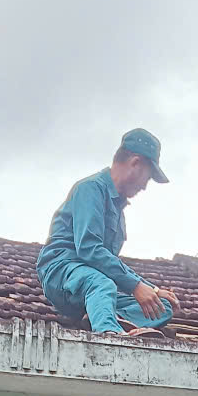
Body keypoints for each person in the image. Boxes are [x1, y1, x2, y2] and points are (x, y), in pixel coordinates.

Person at [37, 129, 179, 334]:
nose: (144, 187)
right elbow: (88, 249)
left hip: (95, 284)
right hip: (63, 274)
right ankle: (110, 335)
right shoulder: (90, 189)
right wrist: (135, 286)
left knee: (160, 307)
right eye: (147, 178)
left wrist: (154, 291)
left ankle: (109, 317)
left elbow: (110, 264)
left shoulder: (118, 211)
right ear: (135, 163)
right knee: (102, 283)